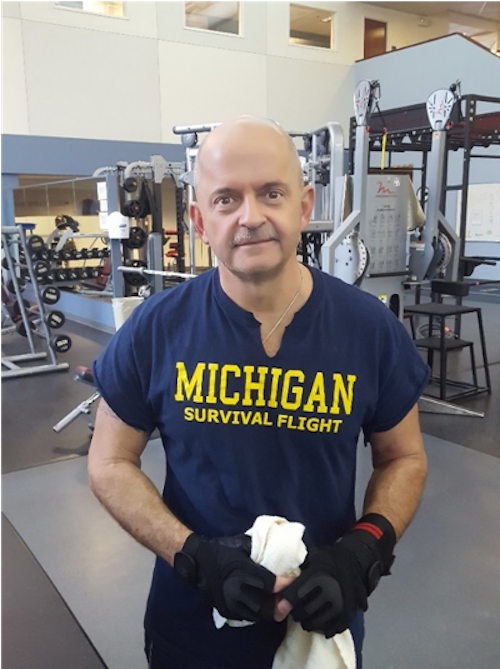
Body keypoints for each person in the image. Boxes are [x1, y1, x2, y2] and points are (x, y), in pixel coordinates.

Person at [88, 116, 430, 669]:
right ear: (200, 221)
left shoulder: (369, 329)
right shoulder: (156, 328)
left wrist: (365, 546)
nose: (251, 217)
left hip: (321, 628)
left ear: (304, 205)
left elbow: (404, 457)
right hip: (192, 629)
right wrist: (193, 556)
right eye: (226, 199)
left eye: (272, 193)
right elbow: (108, 462)